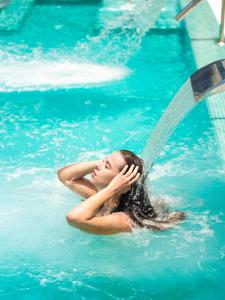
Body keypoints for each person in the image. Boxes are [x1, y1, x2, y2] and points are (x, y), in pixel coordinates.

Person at [57, 150, 185, 235]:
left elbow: (74, 219)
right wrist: (101, 163)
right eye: (103, 161)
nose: (98, 166)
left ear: (120, 181)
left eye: (106, 166)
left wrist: (112, 188)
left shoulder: (123, 219)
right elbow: (65, 176)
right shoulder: (106, 198)